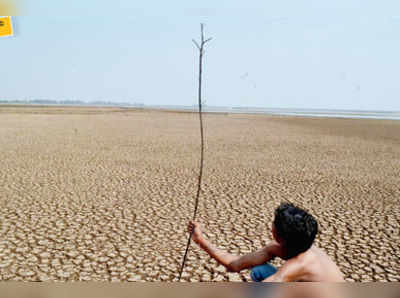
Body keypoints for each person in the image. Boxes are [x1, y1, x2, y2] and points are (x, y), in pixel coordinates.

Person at [188, 202, 345, 282]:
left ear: (278, 235)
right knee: (259, 270)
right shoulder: (295, 245)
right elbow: (235, 264)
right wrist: (200, 240)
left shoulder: (297, 265)